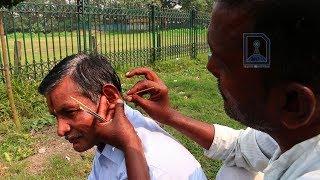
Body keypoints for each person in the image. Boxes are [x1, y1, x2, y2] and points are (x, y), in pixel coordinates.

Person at [124, 0, 320, 179]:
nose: (210, 68)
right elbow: (238, 147)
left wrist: (130, 144)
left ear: (293, 103)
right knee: (234, 171)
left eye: (225, 65)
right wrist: (169, 116)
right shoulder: (299, 132)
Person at [38, 53, 206, 180]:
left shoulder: (156, 167)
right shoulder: (108, 134)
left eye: (70, 112)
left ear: (110, 98)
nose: (60, 130)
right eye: (55, 116)